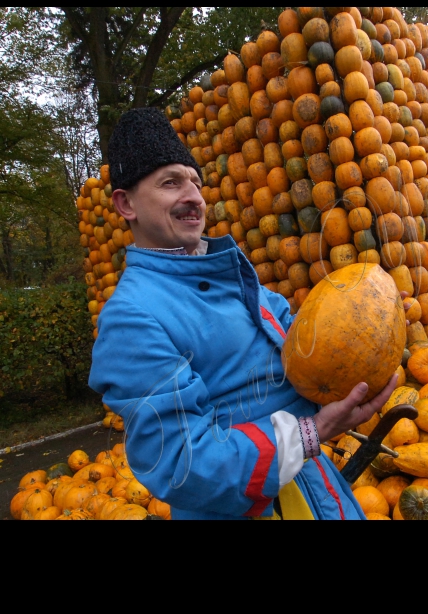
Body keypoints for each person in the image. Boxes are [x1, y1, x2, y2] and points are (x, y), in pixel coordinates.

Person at [88, 108, 401, 520]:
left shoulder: (240, 280)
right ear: (125, 203)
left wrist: (366, 338)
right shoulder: (131, 318)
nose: (194, 198)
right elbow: (180, 463)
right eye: (170, 183)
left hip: (319, 494)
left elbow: (307, 362)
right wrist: (313, 431)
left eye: (196, 184)